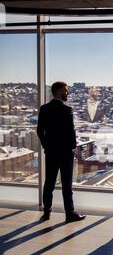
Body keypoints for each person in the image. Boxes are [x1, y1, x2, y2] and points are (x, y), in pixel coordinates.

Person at [37, 81, 86, 223]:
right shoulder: (67, 109)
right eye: (65, 90)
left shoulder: (44, 108)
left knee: (49, 183)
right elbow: (71, 131)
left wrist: (47, 146)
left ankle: (47, 212)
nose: (67, 93)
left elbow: (40, 131)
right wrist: (73, 147)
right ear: (57, 91)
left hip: (51, 152)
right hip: (65, 153)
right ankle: (69, 213)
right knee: (66, 184)